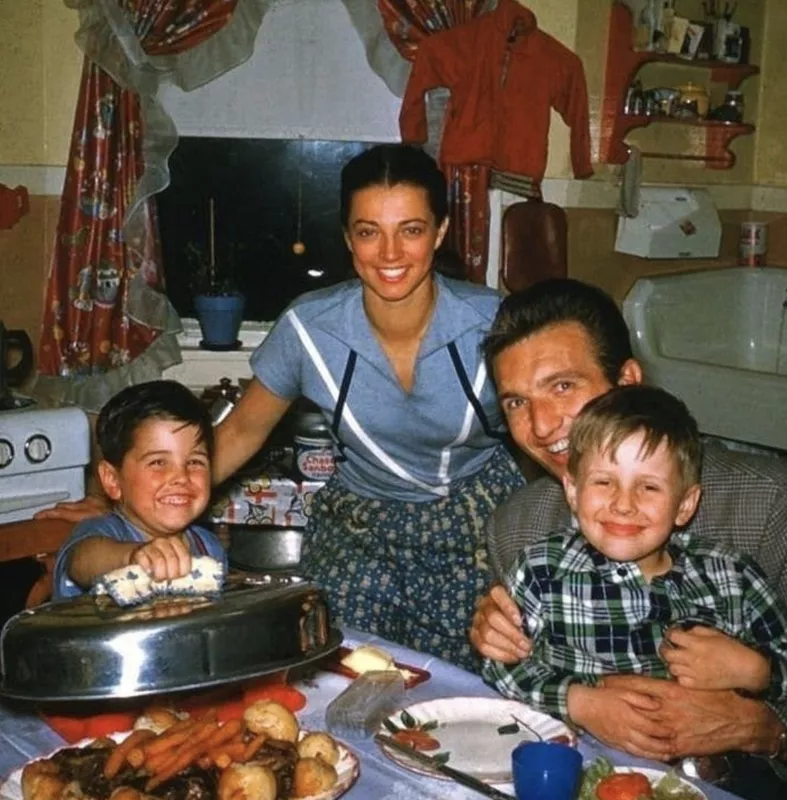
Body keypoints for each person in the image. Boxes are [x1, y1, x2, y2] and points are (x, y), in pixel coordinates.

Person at [43, 144, 525, 669]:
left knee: (467, 681)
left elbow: (547, 428)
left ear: (440, 231)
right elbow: (241, 432)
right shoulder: (308, 329)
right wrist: (121, 506)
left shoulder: (493, 321)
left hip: (475, 525)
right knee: (344, 668)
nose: (390, 253)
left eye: (410, 229)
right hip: (360, 531)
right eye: (368, 231)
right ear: (348, 238)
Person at [468, 278, 787, 785]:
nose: (541, 425)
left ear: (628, 382)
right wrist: (496, 644)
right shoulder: (517, 528)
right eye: (516, 402)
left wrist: (762, 727)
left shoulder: (772, 502)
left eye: (563, 386)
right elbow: (510, 696)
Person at [483, 384, 787, 729]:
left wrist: (755, 671)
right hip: (574, 751)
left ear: (685, 504)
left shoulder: (732, 576)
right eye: (604, 482)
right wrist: (575, 701)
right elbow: (500, 664)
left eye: (648, 487)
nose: (623, 504)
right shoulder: (540, 570)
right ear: (573, 491)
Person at [53, 380, 226, 599]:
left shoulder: (209, 547)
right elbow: (82, 562)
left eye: (195, 462)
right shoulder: (100, 532)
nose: (181, 477)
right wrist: (132, 557)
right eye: (158, 462)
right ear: (113, 480)